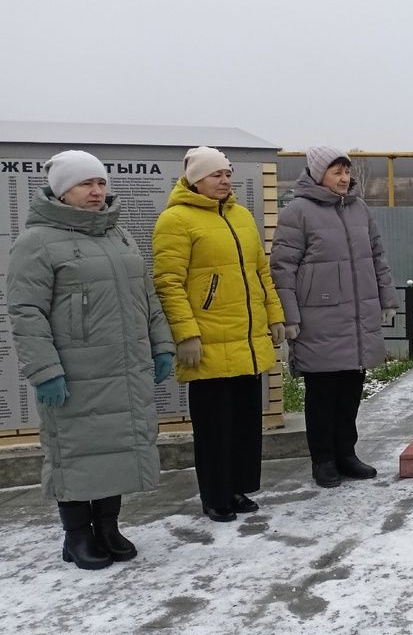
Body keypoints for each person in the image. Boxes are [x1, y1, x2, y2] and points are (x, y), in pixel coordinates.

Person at [6, 150, 175, 569]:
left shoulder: (118, 234)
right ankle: (77, 535)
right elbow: (26, 311)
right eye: (86, 184)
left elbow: (147, 296)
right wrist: (45, 370)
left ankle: (109, 527)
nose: (97, 192)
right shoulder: (37, 242)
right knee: (76, 453)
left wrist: (162, 344)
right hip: (75, 372)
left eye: (100, 183)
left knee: (116, 449)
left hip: (124, 367)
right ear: (63, 191)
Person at [152, 146, 286, 523]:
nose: (225, 180)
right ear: (195, 179)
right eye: (216, 175)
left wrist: (274, 316)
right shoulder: (175, 220)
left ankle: (237, 488)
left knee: (244, 423)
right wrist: (186, 334)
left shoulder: (241, 216)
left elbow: (261, 272)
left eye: (227, 174)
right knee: (214, 428)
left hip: (246, 339)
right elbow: (169, 282)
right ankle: (215, 495)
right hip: (208, 341)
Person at [270, 146, 398, 487]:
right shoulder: (298, 212)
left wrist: (387, 298)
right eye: (335, 172)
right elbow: (283, 268)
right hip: (318, 318)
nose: (343, 179)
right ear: (317, 174)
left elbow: (377, 256)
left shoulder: (359, 209)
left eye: (346, 172)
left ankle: (346, 453)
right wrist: (289, 316)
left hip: (356, 317)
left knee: (350, 390)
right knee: (323, 393)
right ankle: (323, 459)